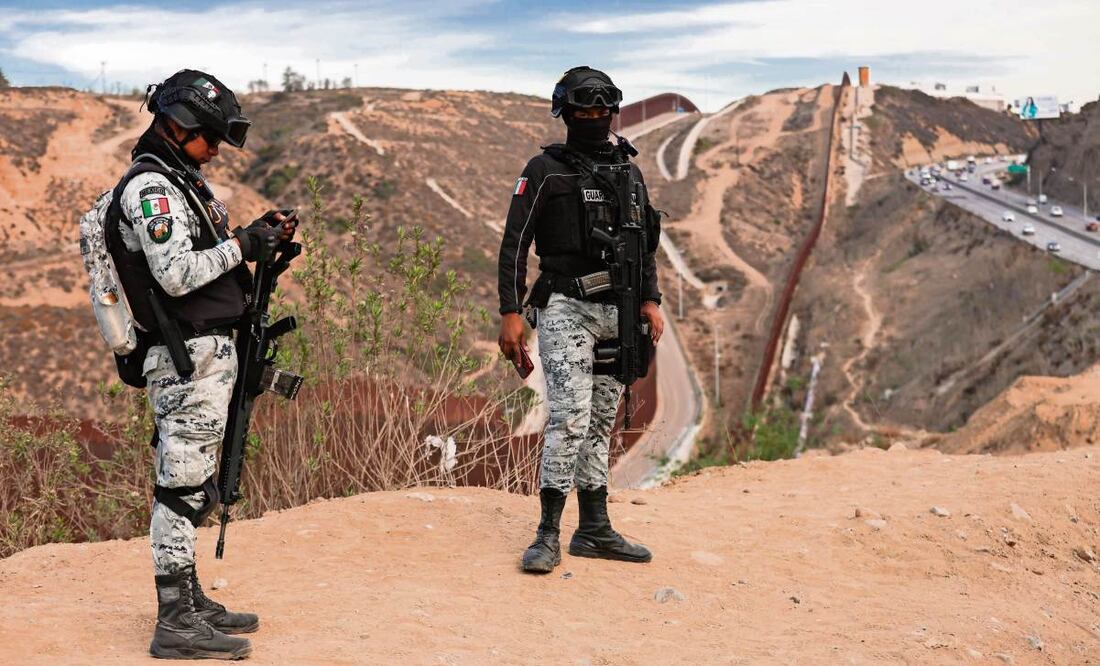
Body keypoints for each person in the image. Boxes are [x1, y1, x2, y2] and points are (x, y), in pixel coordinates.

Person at [110, 69, 295, 659]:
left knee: (194, 480)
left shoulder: (183, 181)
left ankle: (191, 601)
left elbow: (208, 265)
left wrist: (259, 245)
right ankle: (173, 621)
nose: (215, 151)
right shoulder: (152, 189)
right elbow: (175, 273)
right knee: (180, 485)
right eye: (209, 138)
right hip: (186, 359)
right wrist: (241, 245)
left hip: (211, 352)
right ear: (178, 125)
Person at [497, 66, 665, 574]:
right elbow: (515, 244)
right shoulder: (545, 170)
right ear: (566, 113)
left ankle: (594, 530)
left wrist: (650, 301)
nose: (592, 118)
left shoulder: (629, 172)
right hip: (565, 307)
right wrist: (510, 311)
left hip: (619, 314)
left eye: (600, 110)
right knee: (569, 418)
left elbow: (643, 245)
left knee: (598, 425)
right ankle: (548, 533)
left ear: (611, 111)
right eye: (582, 110)